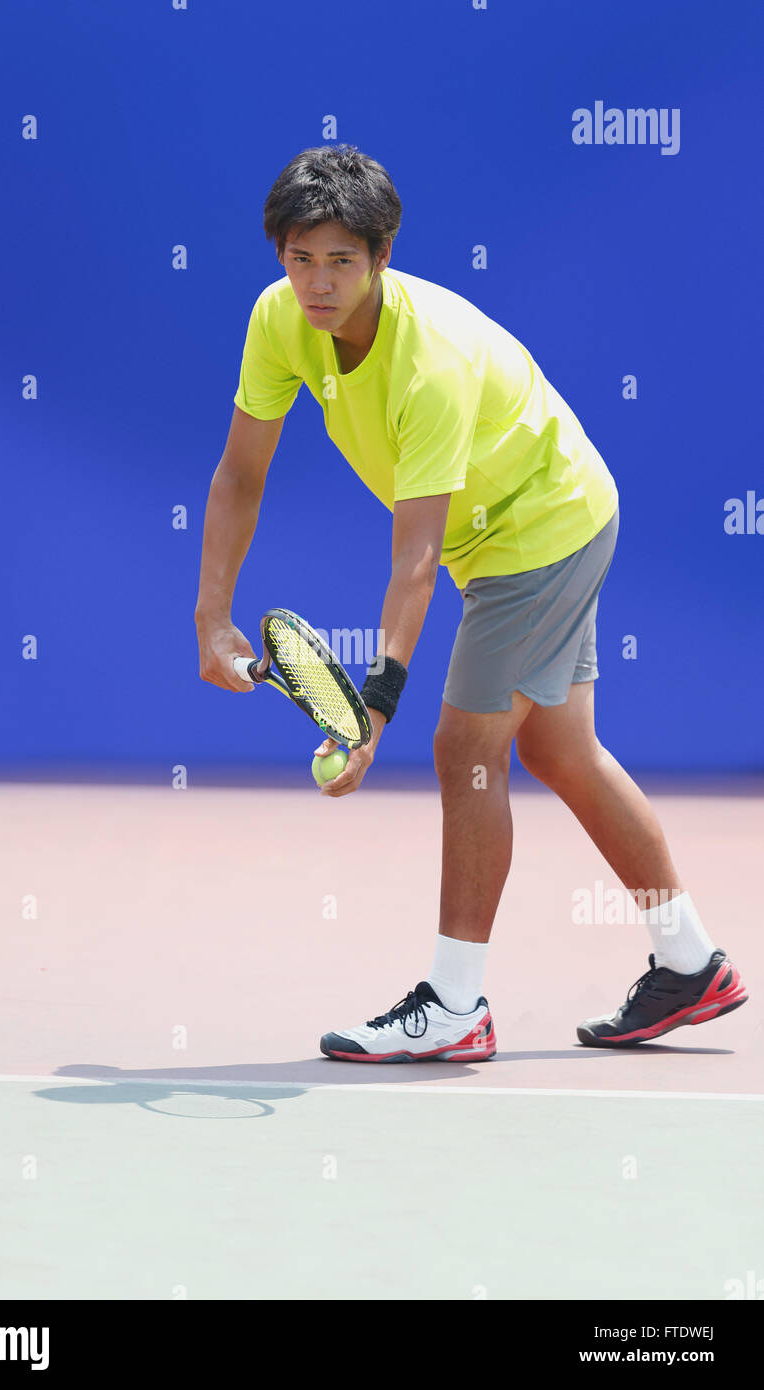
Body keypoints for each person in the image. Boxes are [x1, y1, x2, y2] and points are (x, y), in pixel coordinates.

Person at [195, 144, 748, 1062]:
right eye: (301, 259)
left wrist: (374, 707)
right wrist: (213, 616)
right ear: (279, 257)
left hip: (542, 524)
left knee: (466, 747)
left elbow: (414, 556)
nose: (319, 282)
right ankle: (689, 961)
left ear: (381, 257)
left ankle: (455, 1005)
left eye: (342, 260)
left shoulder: (431, 365)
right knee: (560, 748)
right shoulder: (279, 320)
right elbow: (239, 473)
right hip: (519, 523)